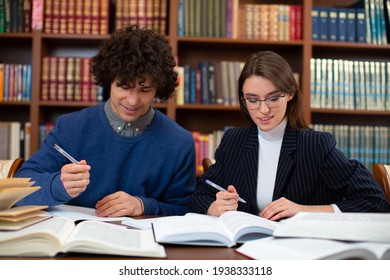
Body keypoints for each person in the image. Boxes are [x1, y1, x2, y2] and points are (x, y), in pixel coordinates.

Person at [15, 25, 196, 217]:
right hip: (77, 238)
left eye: (144, 90)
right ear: (109, 80)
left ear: (158, 88)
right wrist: (57, 185)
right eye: (124, 87)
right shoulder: (71, 127)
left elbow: (185, 208)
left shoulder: (180, 143)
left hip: (144, 242)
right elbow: (21, 185)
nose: (133, 101)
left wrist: (143, 205)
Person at [187, 51, 390, 220]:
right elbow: (199, 195)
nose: (263, 109)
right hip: (243, 249)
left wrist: (304, 210)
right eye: (253, 100)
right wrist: (214, 207)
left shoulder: (315, 145)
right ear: (243, 99)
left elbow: (375, 202)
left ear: (290, 94)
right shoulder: (234, 140)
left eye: (273, 98)